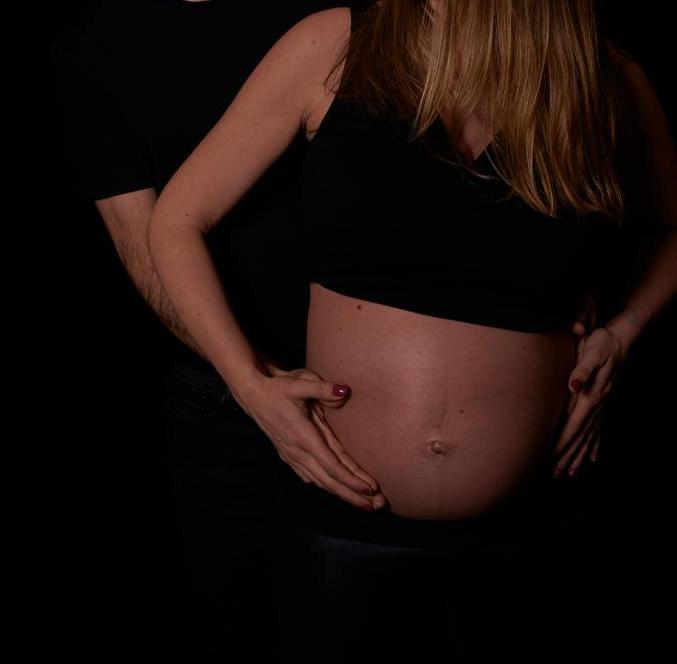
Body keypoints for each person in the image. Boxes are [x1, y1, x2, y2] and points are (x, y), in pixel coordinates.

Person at [147, 0, 677, 661]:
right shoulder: (334, 45)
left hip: (534, 527)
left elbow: (669, 230)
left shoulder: (602, 74)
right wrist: (251, 386)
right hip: (343, 527)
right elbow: (177, 221)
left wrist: (623, 332)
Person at [55, 0, 381, 660]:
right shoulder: (104, 47)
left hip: (369, 391)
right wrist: (257, 383)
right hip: (225, 404)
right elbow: (145, 249)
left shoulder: (331, 15)